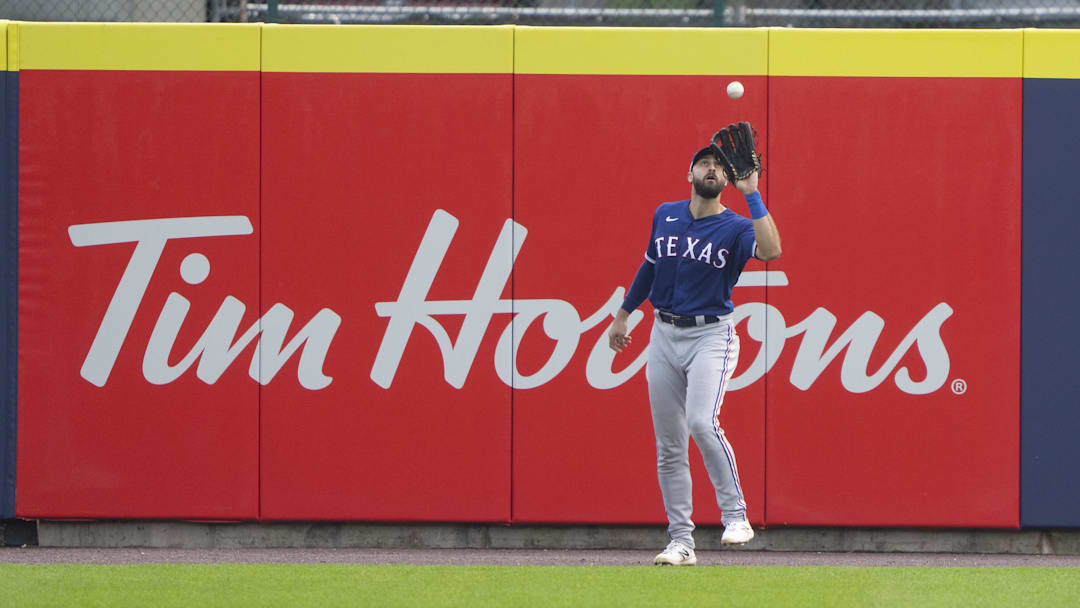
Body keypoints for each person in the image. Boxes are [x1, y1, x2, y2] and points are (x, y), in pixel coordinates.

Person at [608, 138, 781, 566]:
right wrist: (623, 313)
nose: (710, 169)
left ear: (725, 179)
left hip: (711, 334)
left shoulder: (737, 226)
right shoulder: (665, 214)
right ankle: (681, 541)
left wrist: (753, 193)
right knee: (669, 445)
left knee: (702, 422)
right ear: (690, 175)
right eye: (703, 163)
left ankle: (736, 515)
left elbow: (772, 250)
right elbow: (650, 265)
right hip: (663, 332)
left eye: (718, 166)